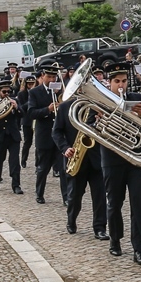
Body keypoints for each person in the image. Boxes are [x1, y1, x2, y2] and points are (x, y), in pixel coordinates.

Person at [100, 61, 141, 265]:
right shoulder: (100, 101)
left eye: (124, 81)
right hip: (112, 160)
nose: (121, 85)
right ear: (109, 82)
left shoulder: (136, 98)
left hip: (136, 158)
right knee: (114, 203)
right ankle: (115, 240)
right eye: (117, 81)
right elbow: (87, 126)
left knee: (138, 205)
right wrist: (99, 121)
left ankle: (139, 250)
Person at [52, 83, 109, 241]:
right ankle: (71, 220)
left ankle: (100, 228)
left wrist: (102, 120)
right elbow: (56, 131)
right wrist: (65, 148)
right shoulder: (65, 108)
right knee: (75, 196)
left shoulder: (99, 108)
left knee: (99, 197)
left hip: (96, 158)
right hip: (75, 158)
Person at [29, 64, 62, 204]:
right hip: (45, 136)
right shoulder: (35, 92)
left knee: (64, 169)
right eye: (49, 76)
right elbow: (31, 112)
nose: (51, 79)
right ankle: (39, 193)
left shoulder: (60, 91)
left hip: (60, 136)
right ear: (43, 77)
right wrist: (47, 110)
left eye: (54, 77)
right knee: (43, 168)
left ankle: (67, 196)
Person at [0, 80, 23, 193]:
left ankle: (16, 185)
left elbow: (22, 114)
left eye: (9, 91)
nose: (7, 94)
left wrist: (16, 107)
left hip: (13, 136)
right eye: (4, 92)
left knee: (14, 161)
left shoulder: (14, 101)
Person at [18, 75, 37, 168]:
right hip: (27, 120)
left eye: (32, 84)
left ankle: (38, 163)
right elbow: (22, 108)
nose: (30, 85)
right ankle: (23, 159)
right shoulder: (21, 94)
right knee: (27, 142)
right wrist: (31, 97)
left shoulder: (38, 92)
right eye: (29, 84)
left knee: (38, 143)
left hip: (36, 119)